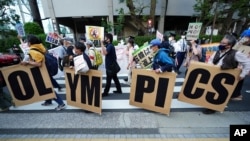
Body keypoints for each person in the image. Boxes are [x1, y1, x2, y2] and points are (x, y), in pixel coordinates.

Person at [202, 34, 250, 114]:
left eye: (223, 43)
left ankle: (212, 107)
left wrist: (243, 74)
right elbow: (211, 60)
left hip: (226, 76)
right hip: (214, 74)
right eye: (221, 42)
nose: (221, 44)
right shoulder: (217, 52)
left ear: (229, 45)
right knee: (211, 90)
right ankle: (210, 105)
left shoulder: (236, 54)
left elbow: (247, 63)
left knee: (219, 92)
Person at [20, 34, 66, 111]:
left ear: (30, 43)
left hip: (42, 72)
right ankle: (48, 100)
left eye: (27, 42)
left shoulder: (32, 51)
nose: (27, 43)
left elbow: (39, 63)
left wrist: (28, 62)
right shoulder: (40, 46)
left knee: (47, 88)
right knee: (46, 87)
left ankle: (61, 103)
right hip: (47, 70)